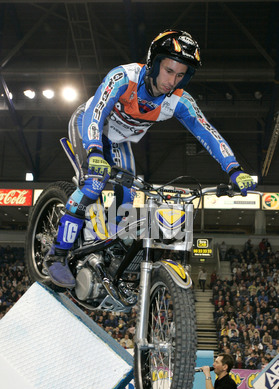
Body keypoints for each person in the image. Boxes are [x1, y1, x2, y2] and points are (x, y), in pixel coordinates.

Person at [44, 29, 256, 288]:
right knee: (94, 184)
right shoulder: (123, 77)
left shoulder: (179, 100)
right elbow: (96, 111)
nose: (172, 81)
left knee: (129, 198)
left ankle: (100, 248)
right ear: (153, 63)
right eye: (168, 71)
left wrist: (233, 168)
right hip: (89, 126)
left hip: (119, 140)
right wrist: (94, 150)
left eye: (180, 75)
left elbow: (207, 132)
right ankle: (57, 255)